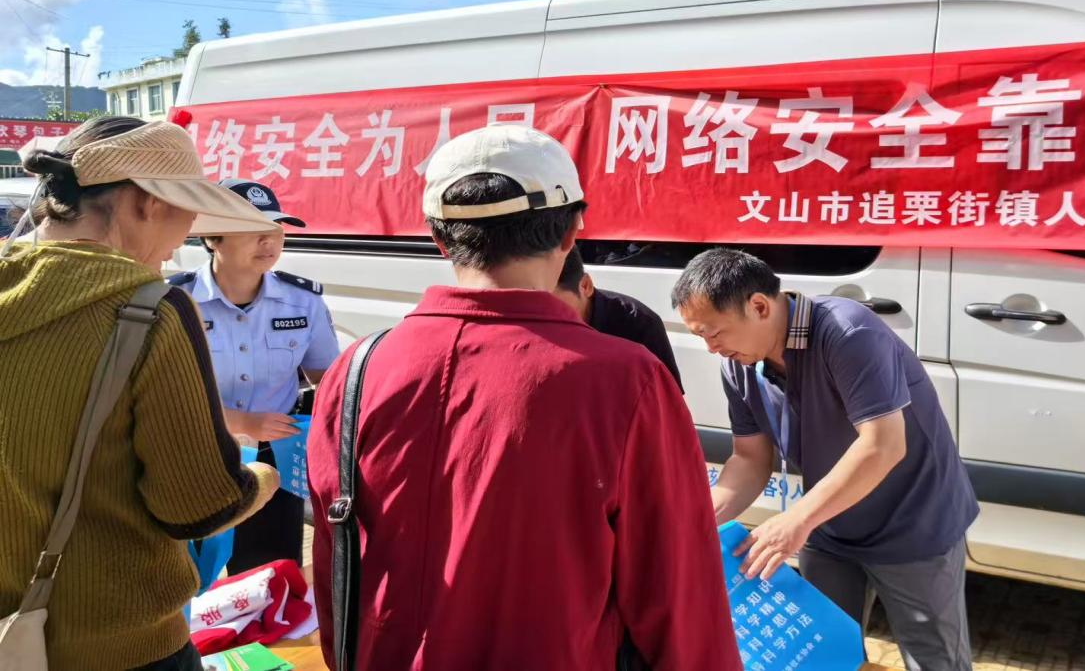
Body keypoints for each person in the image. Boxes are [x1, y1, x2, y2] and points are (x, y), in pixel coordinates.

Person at [307, 125, 741, 671]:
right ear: (571, 234)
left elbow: (335, 567)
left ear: (439, 239)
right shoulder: (627, 381)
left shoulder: (355, 369)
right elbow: (680, 599)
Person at [0, 117, 280, 671]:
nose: (182, 242)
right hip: (123, 643)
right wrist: (261, 480)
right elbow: (197, 506)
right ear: (148, 202)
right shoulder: (149, 309)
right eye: (187, 216)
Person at [672, 248, 978, 671]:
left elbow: (883, 445)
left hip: (913, 524)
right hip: (830, 524)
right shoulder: (739, 364)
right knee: (823, 656)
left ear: (759, 306)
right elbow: (749, 458)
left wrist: (796, 520)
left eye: (714, 333)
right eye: (700, 337)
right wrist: (694, 524)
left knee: (934, 660)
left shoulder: (847, 333)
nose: (710, 348)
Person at [169, 178, 340, 574]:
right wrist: (240, 422)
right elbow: (162, 394)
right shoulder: (176, 302)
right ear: (213, 238)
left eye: (275, 229)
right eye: (252, 229)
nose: (269, 241)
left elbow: (329, 379)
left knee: (271, 577)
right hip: (195, 455)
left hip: (274, 461)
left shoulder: (303, 302)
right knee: (191, 576)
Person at [553, 247, 683, 390]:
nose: (546, 315)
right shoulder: (538, 324)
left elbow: (668, 395)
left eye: (555, 307)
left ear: (586, 286)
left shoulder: (639, 323)